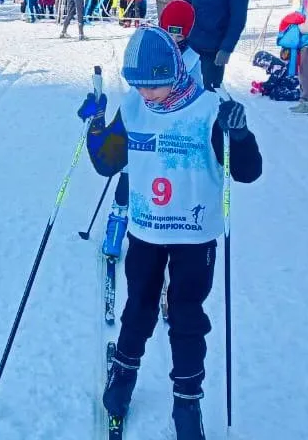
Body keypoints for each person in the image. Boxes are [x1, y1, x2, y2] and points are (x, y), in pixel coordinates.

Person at [78, 26, 262, 440]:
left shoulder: (208, 109)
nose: (148, 94)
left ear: (176, 73)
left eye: (156, 85)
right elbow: (108, 163)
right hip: (145, 232)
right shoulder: (134, 107)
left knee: (186, 317)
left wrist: (242, 134)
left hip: (195, 237)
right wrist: (94, 124)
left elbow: (248, 172)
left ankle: (187, 400)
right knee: (138, 309)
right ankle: (123, 375)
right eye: (140, 85)